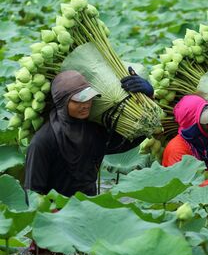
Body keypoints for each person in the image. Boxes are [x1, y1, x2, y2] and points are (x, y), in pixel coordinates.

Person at [24, 69, 153, 197]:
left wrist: (147, 98)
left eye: (89, 98)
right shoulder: (42, 141)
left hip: (89, 210)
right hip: (55, 213)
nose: (86, 104)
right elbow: (32, 193)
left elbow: (128, 140)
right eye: (78, 100)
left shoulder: (93, 131)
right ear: (62, 101)